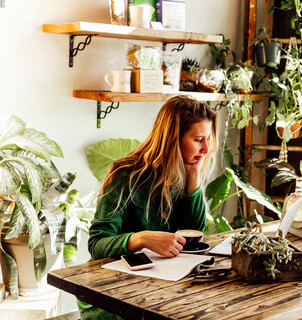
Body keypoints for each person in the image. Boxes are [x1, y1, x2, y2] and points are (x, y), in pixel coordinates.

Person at [78, 95, 217, 319]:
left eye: (208, 139)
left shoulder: (185, 172)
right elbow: (97, 245)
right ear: (173, 138)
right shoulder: (125, 174)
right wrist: (141, 239)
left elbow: (195, 234)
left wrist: (194, 176)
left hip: (159, 288)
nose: (206, 148)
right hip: (111, 294)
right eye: (198, 139)